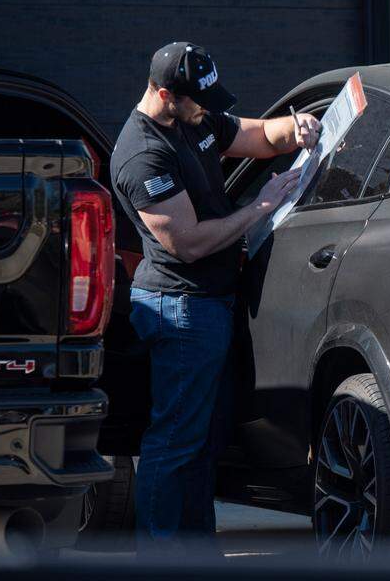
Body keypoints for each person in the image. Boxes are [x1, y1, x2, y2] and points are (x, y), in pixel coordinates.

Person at [110, 42, 320, 554]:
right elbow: (188, 242)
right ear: (164, 95)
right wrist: (260, 206)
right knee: (175, 443)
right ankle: (162, 555)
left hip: (211, 304)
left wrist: (298, 128)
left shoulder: (195, 118)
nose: (208, 110)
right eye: (197, 102)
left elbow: (259, 135)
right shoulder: (142, 154)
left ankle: (198, 553)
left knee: (203, 442)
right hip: (180, 309)